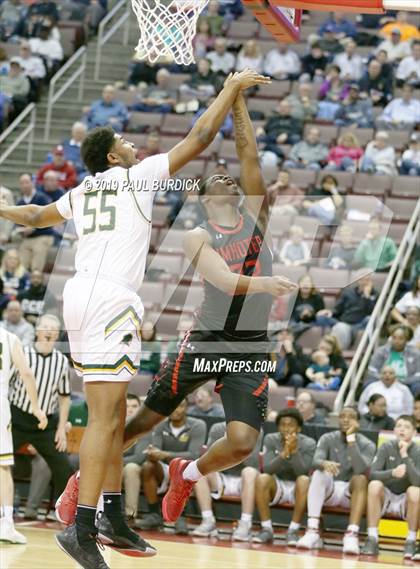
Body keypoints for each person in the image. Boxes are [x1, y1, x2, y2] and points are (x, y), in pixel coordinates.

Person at [0, 69, 276, 567]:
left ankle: (112, 516)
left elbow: (37, 216)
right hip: (117, 302)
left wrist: (2, 210)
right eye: (124, 141)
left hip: (81, 298)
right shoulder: (140, 177)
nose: (132, 144)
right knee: (112, 419)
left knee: (115, 415)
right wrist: (230, 90)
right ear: (113, 156)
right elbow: (200, 136)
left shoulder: (83, 192)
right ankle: (85, 525)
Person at [8, 314, 72, 522]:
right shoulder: (23, 354)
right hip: (16, 418)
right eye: (45, 326)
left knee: (64, 467)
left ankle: (62, 512)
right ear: (37, 330)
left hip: (45, 423)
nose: (49, 330)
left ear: (57, 334)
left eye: (53, 328)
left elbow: (64, 398)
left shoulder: (62, 361)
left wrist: (62, 428)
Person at [297, 407, 376, 554]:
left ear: (358, 422)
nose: (345, 419)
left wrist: (351, 440)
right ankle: (312, 530)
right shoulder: (327, 438)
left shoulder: (368, 444)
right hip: (330, 490)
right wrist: (324, 464)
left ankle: (352, 534)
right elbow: (314, 461)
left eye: (351, 417)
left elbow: (359, 469)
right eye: (342, 416)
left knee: (360, 479)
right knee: (319, 473)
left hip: (350, 494)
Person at [0, 326, 47, 543]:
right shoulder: (9, 338)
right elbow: (26, 373)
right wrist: (36, 407)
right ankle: (7, 523)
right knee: (2, 466)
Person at [135, 400, 206, 534]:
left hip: (185, 468)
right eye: (173, 406)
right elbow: (155, 451)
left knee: (188, 471)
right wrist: (152, 453)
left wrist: (164, 454)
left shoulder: (198, 425)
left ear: (186, 408)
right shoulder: (160, 425)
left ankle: (181, 517)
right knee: (147, 466)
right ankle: (153, 514)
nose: (176, 410)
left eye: (180, 406)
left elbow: (193, 455)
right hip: (164, 468)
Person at [253, 409, 316, 545]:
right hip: (278, 485)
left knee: (304, 480)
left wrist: (294, 451)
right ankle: (266, 529)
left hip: (298, 488)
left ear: (298, 428)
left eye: (290, 425)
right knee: (262, 478)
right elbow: (267, 469)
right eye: (282, 424)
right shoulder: (271, 439)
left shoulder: (309, 443)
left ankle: (293, 530)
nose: (286, 428)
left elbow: (303, 472)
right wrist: (284, 453)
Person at [362, 415, 420, 559]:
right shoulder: (386, 447)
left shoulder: (418, 451)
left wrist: (405, 456)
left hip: (405, 500)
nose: (402, 429)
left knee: (415, 491)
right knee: (374, 485)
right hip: (386, 496)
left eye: (406, 427)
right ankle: (372, 538)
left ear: (414, 433)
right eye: (399, 426)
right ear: (394, 430)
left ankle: (411, 541)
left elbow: (418, 481)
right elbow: (372, 474)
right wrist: (392, 473)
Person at [192, 422, 262, 541]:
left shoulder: (254, 429)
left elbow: (253, 463)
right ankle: (208, 520)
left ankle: (246, 524)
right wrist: (226, 446)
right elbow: (210, 459)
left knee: (249, 472)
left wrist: (235, 447)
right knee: (200, 469)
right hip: (222, 475)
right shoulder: (217, 428)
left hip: (244, 479)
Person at [15, 173, 55, 273]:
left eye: (27, 182)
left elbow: (50, 219)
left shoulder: (42, 198)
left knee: (39, 250)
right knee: (21, 260)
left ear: (33, 182)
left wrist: (34, 228)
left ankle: (35, 279)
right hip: (27, 237)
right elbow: (17, 222)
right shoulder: (20, 202)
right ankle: (21, 280)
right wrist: (20, 230)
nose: (24, 185)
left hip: (43, 235)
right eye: (22, 183)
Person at [366, 325, 420, 395]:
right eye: (394, 338)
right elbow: (372, 371)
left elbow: (418, 374)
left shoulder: (415, 353)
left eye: (401, 338)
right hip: (383, 380)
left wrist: (403, 381)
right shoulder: (381, 351)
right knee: (369, 383)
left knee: (417, 386)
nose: (396, 341)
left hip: (406, 382)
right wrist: (385, 378)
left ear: (407, 340)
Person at [331, 274, 378, 350]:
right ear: (358, 281)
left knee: (370, 319)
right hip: (347, 323)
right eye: (362, 280)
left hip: (362, 323)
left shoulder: (375, 294)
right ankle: (339, 353)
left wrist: (367, 296)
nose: (364, 282)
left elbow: (372, 312)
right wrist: (330, 313)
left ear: (371, 282)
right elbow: (338, 309)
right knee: (339, 327)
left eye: (367, 280)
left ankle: (371, 351)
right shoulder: (347, 292)